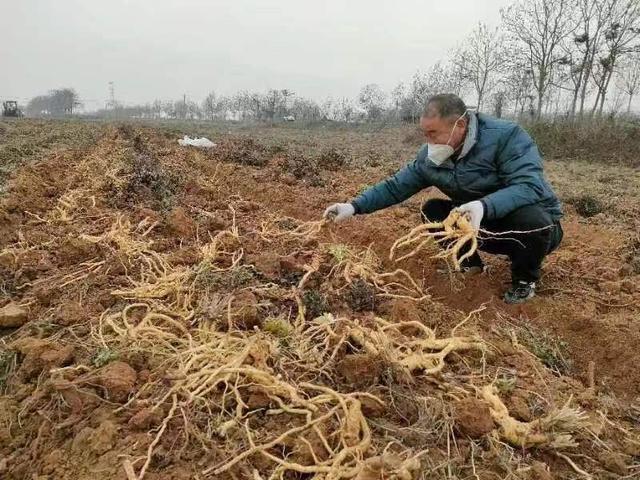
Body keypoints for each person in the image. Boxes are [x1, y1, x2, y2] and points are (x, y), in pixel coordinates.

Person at [323, 93, 563, 304]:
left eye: (434, 133)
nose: (429, 141)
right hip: (481, 227)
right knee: (434, 210)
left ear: (460, 124)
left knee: (533, 218)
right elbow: (396, 187)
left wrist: (484, 206)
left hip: (532, 231)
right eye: (425, 134)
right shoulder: (431, 158)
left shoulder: (506, 137)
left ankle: (524, 281)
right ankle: (470, 265)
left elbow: (529, 186)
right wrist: (354, 206)